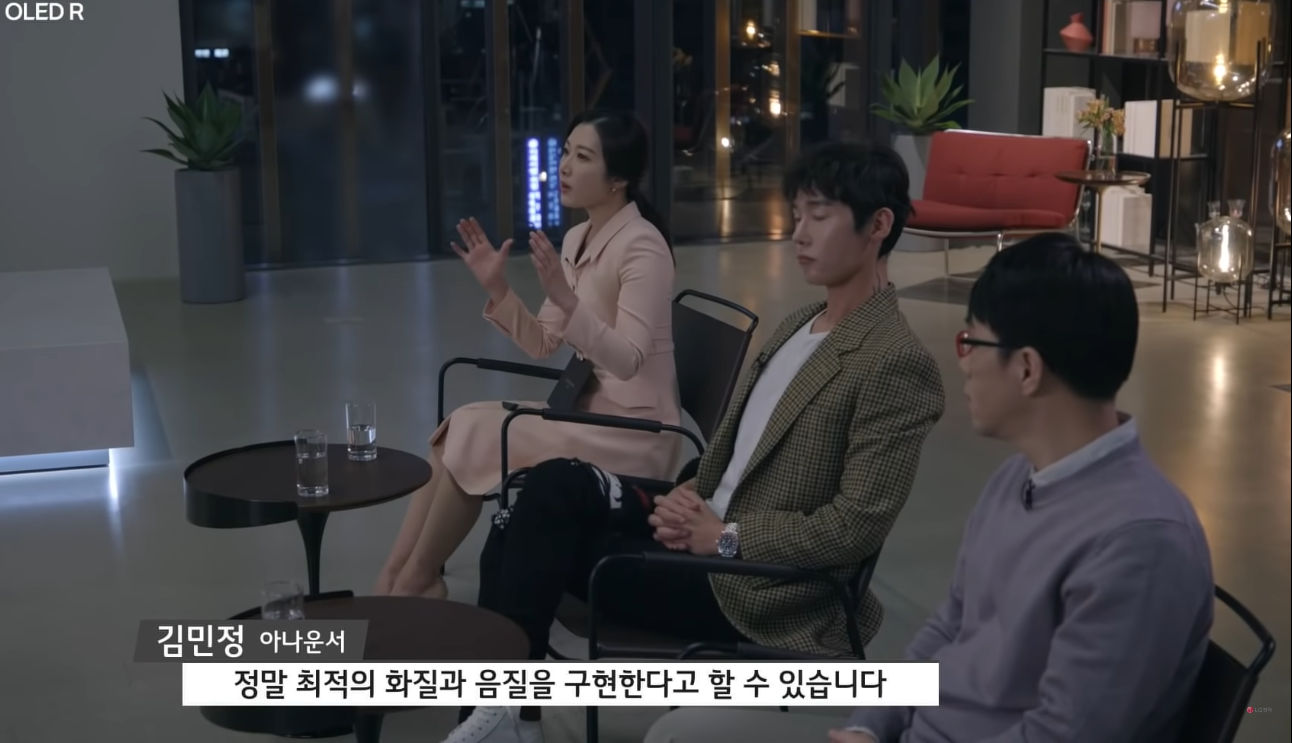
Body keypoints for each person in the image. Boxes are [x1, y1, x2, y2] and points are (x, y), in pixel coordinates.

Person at [445, 142, 946, 743]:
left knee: (520, 536)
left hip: (753, 583)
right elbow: (738, 454)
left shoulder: (895, 362)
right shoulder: (799, 324)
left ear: (879, 225)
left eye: (819, 215)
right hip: (699, 525)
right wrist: (688, 492)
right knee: (546, 486)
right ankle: (507, 716)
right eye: (796, 215)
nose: (799, 234)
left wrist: (724, 537)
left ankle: (503, 717)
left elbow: (853, 527)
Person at [645, 232, 1215, 743]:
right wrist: (871, 724)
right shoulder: (1018, 479)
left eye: (973, 343)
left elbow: (1063, 732)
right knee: (680, 731)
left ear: (1027, 369)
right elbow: (949, 627)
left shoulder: (1139, 542)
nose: (961, 363)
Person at [374, 111, 682, 599]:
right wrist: (497, 287)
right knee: (457, 427)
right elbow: (543, 341)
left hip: (634, 433)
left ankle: (416, 581)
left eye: (583, 157)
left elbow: (628, 360)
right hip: (587, 413)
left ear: (618, 178)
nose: (565, 166)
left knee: (479, 432)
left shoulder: (643, 247)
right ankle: (395, 576)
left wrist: (566, 300)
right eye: (566, 152)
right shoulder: (578, 237)